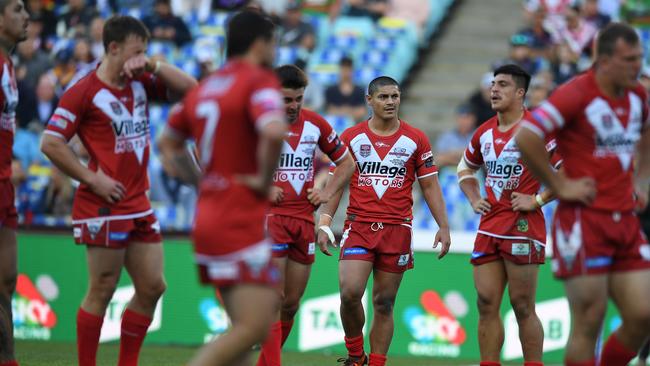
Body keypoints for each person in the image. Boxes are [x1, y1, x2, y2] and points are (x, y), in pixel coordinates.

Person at [40, 15, 197, 366]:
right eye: (137, 51)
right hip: (103, 203)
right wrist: (91, 178)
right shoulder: (83, 92)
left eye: (146, 52)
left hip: (138, 202)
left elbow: (191, 88)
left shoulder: (141, 82)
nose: (142, 58)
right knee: (103, 288)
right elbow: (51, 143)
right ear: (113, 48)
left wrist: (154, 64)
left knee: (153, 287)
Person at [157, 11, 288, 366]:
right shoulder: (258, 81)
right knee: (255, 326)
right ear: (260, 43)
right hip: (238, 216)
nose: (275, 51)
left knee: (242, 326)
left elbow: (167, 144)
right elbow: (275, 130)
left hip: (209, 214)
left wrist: (202, 182)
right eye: (274, 43)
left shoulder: (208, 86)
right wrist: (262, 180)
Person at [516, 23, 650, 366]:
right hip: (582, 222)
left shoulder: (639, 96)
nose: (638, 66)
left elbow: (647, 131)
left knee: (643, 314)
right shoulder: (575, 94)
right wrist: (559, 185)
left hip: (624, 220)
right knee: (589, 322)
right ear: (604, 60)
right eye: (629, 59)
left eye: (639, 58)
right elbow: (527, 136)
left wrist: (641, 179)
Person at [317, 76, 451, 366]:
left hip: (397, 229)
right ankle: (355, 356)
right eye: (384, 97)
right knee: (350, 292)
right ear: (369, 100)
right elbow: (336, 183)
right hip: (359, 225)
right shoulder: (351, 137)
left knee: (384, 303)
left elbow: (430, 185)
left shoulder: (416, 139)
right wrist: (325, 219)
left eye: (395, 96)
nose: (391, 102)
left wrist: (443, 224)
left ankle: (376, 362)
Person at [458, 64, 561, 366]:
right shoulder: (484, 131)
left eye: (502, 84)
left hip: (523, 226)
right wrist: (475, 196)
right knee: (486, 302)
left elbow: (570, 170)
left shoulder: (538, 129)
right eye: (493, 84)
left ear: (520, 92)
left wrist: (538, 199)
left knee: (522, 305)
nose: (494, 89)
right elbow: (465, 168)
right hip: (489, 226)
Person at [255, 64, 355, 366]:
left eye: (299, 98)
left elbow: (347, 163)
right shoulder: (258, 123)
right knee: (273, 298)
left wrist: (325, 191)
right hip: (269, 219)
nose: (294, 105)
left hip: (303, 221)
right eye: (287, 99)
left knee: (291, 304)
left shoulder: (316, 125)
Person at [0, 2, 29, 365]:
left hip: (5, 183)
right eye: (19, 9)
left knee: (7, 279)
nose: (26, 17)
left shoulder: (8, 65)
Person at [325, 56, 367, 123]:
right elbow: (329, 110)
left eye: (348, 69)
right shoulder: (331, 90)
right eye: (344, 69)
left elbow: (362, 111)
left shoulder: (360, 90)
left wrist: (342, 110)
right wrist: (351, 111)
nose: (346, 72)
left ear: (352, 70)